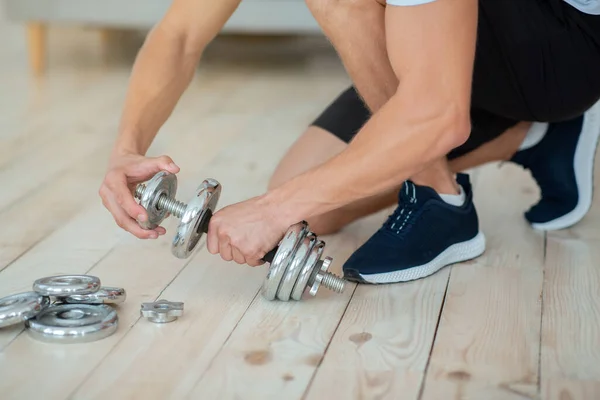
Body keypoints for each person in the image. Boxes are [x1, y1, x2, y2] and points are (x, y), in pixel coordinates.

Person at [100, 0, 600, 285]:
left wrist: (271, 211)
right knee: (312, 205)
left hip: (564, 45)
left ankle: (442, 202)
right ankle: (526, 136)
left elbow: (439, 117)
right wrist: (126, 147)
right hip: (442, 38)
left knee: (292, 202)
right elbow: (181, 35)